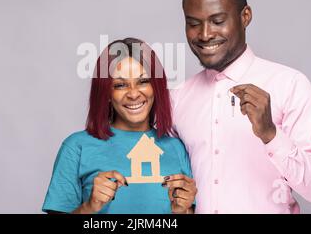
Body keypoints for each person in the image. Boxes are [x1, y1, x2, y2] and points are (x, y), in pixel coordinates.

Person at [171, 0, 311, 213]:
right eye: (193, 24)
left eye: (217, 21)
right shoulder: (178, 97)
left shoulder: (289, 85)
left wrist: (270, 134)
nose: (204, 34)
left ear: (245, 16)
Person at [43, 38, 197, 214]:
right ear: (107, 93)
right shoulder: (76, 147)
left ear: (156, 87)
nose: (133, 94)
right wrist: (90, 206)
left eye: (143, 81)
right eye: (120, 85)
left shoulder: (176, 148)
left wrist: (183, 211)